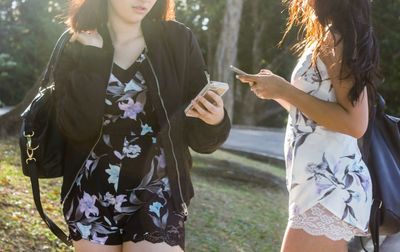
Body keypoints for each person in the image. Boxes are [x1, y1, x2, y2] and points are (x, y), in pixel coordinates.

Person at [54, 0, 231, 251]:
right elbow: (74, 127)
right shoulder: (77, 42)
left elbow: (200, 136)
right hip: (91, 190)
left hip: (159, 186)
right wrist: (92, 57)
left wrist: (215, 120)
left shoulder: (177, 40)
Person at [238, 0, 381, 251]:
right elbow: (314, 118)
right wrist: (278, 91)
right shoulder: (328, 37)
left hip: (331, 188)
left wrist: (285, 89)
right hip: (316, 188)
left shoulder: (337, 40)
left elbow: (355, 123)